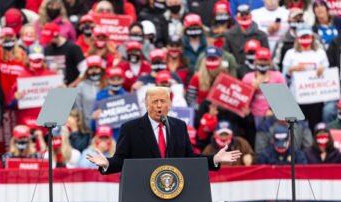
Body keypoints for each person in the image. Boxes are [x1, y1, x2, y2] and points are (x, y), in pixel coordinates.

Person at [86, 86, 242, 174]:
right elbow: (121, 160)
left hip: (174, 191)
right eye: (154, 102)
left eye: (163, 101)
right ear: (146, 105)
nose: (159, 106)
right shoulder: (130, 129)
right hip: (142, 193)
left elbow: (189, 158)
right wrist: (107, 163)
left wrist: (214, 159)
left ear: (170, 105)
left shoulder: (179, 126)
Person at [282, 24, 329, 131]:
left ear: (312, 37)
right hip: (297, 98)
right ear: (298, 38)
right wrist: (291, 71)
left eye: (307, 36)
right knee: (299, 129)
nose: (305, 40)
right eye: (302, 37)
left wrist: (323, 70)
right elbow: (284, 79)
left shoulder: (320, 53)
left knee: (315, 126)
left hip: (316, 97)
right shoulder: (290, 54)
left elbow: (328, 77)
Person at [242, 47, 286, 128]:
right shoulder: (247, 78)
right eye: (260, 60)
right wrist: (253, 89)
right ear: (255, 61)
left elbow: (284, 99)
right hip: (253, 115)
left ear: (270, 61)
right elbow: (243, 99)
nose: (262, 63)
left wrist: (273, 111)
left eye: (265, 60)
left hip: (272, 116)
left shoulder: (278, 76)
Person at [42, 22, 86, 86]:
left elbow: (84, 71)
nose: (48, 41)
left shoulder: (73, 48)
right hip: (53, 87)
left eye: (50, 39)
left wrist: (71, 87)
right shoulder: (47, 49)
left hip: (70, 87)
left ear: (56, 35)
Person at [75, 54, 107, 130]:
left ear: (101, 69)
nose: (94, 71)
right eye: (91, 68)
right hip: (88, 127)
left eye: (96, 68)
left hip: (107, 126)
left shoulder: (108, 84)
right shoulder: (81, 86)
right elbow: (78, 109)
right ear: (87, 71)